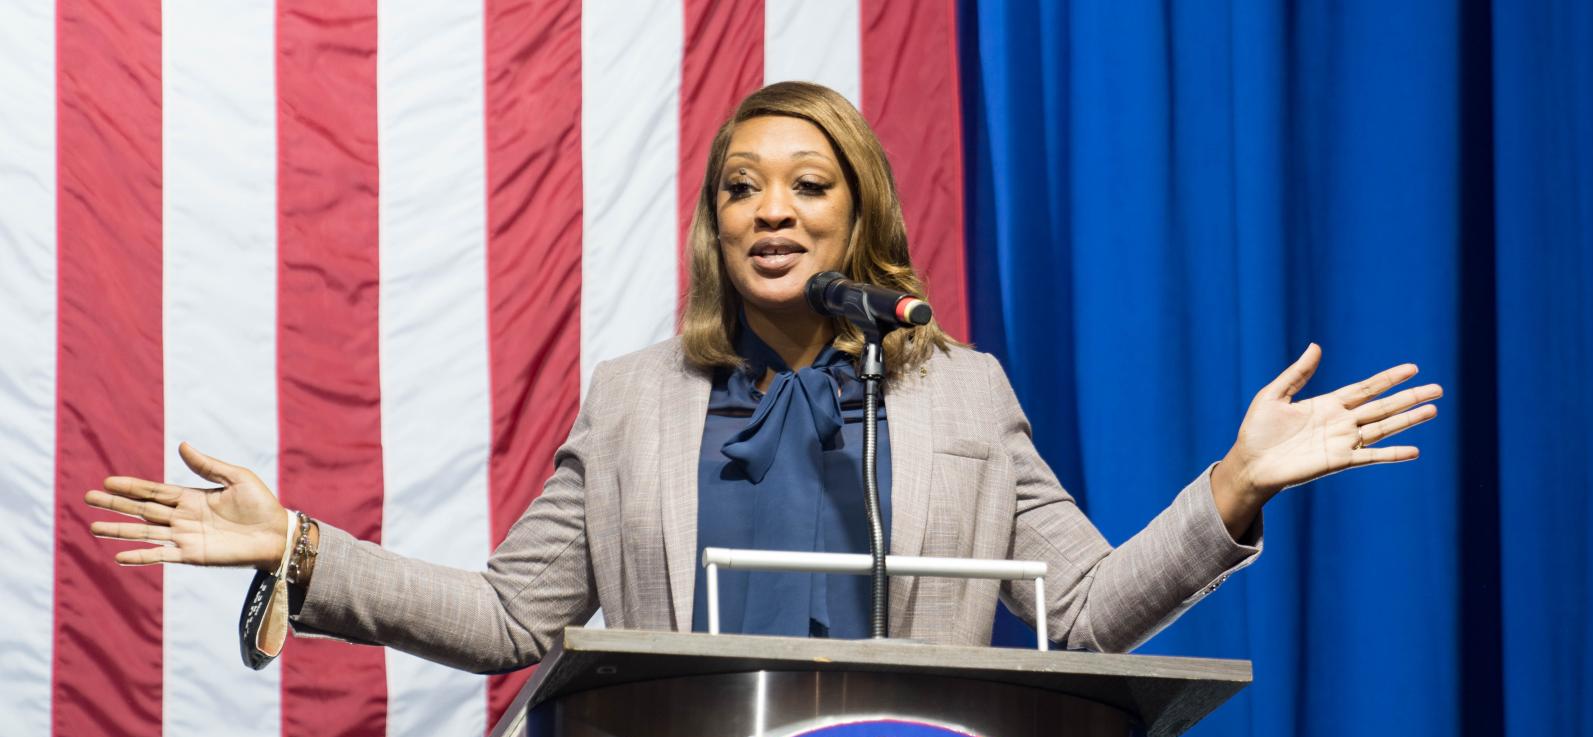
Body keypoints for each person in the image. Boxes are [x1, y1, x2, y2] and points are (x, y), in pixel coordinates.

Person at [85, 82, 1441, 672]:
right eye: (741, 187)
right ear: (715, 225)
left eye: (808, 184)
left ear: (860, 215)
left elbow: (1082, 616)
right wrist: (303, 547)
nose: (772, 209)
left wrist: (1232, 487)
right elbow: (510, 620)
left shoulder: (962, 394)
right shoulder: (634, 399)